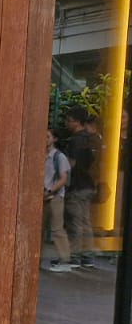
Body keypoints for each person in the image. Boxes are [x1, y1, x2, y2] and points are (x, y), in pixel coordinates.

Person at [61, 106, 100, 269]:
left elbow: (72, 164)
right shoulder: (91, 139)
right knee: (85, 221)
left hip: (77, 186)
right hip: (89, 184)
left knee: (75, 222)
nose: (67, 123)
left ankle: (74, 256)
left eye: (69, 120)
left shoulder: (76, 140)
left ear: (76, 122)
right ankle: (87, 255)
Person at [44, 130, 73, 272]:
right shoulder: (41, 155)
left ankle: (65, 259)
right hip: (43, 195)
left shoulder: (58, 157)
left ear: (54, 139)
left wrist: (50, 191)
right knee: (39, 229)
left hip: (54, 196)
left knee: (57, 228)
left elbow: (63, 178)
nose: (44, 139)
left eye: (47, 136)